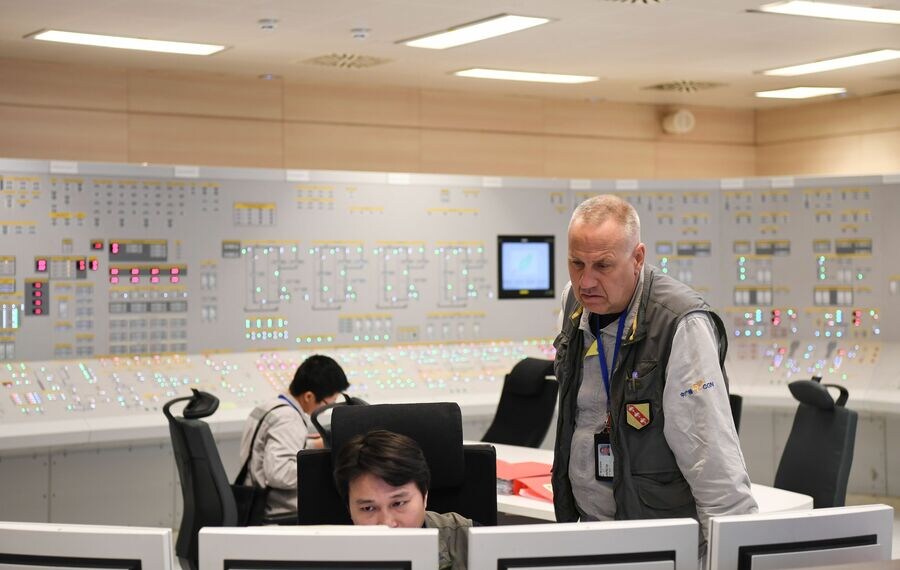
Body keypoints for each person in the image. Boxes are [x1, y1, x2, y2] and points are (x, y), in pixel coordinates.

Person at [552, 194, 757, 546]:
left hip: (659, 543)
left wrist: (732, 552)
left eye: (603, 266)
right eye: (576, 263)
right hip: (590, 532)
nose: (586, 281)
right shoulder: (573, 302)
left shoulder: (681, 324)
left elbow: (712, 463)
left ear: (637, 258)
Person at [333, 429, 472, 570]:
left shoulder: (468, 540)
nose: (387, 524)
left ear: (424, 496)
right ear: (349, 508)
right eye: (368, 508)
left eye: (398, 503)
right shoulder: (328, 557)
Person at [238, 354, 349, 518]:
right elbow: (279, 473)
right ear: (309, 396)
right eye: (328, 403)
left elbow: (268, 451)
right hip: (278, 511)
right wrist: (325, 470)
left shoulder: (269, 407)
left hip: (251, 499)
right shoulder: (288, 419)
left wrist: (314, 444)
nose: (327, 409)